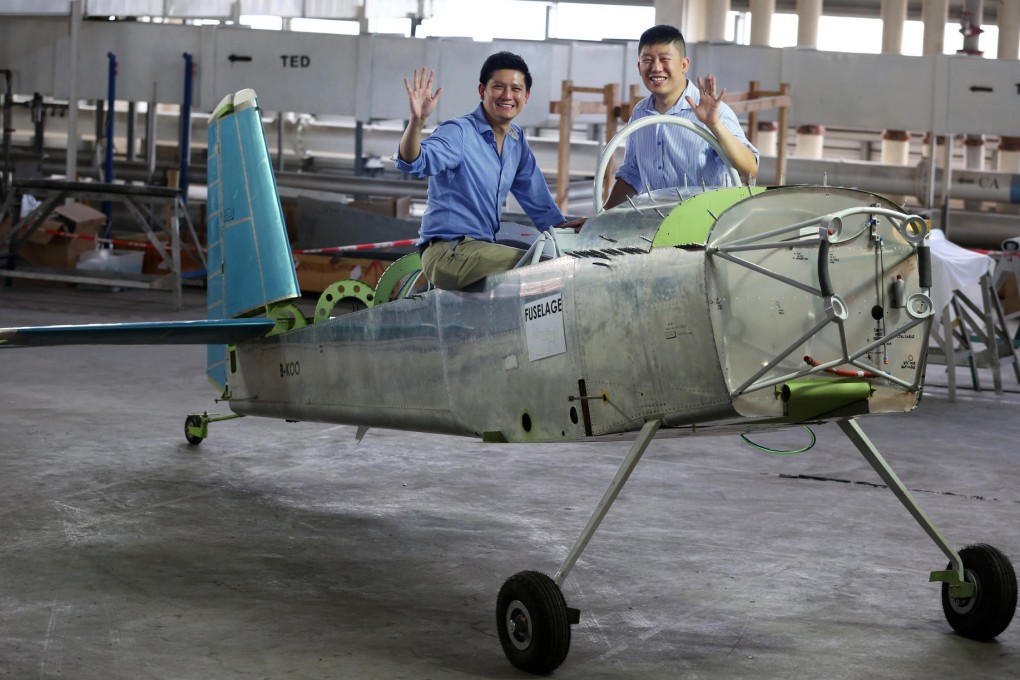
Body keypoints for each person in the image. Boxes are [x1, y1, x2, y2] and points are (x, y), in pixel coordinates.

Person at [394, 52, 566, 291]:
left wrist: (580, 235)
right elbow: (414, 160)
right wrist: (417, 121)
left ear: (526, 96)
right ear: (482, 90)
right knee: (547, 268)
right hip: (449, 252)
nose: (507, 96)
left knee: (558, 264)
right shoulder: (460, 132)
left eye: (516, 89)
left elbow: (543, 209)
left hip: (481, 251)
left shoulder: (516, 140)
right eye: (498, 87)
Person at [604, 24, 759, 209]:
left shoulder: (714, 112)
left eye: (664, 59)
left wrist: (714, 124)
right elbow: (632, 174)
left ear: (684, 64)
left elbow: (750, 169)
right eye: (648, 60)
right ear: (639, 67)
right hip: (657, 226)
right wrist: (601, 217)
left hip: (710, 227)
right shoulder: (640, 113)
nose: (656, 67)